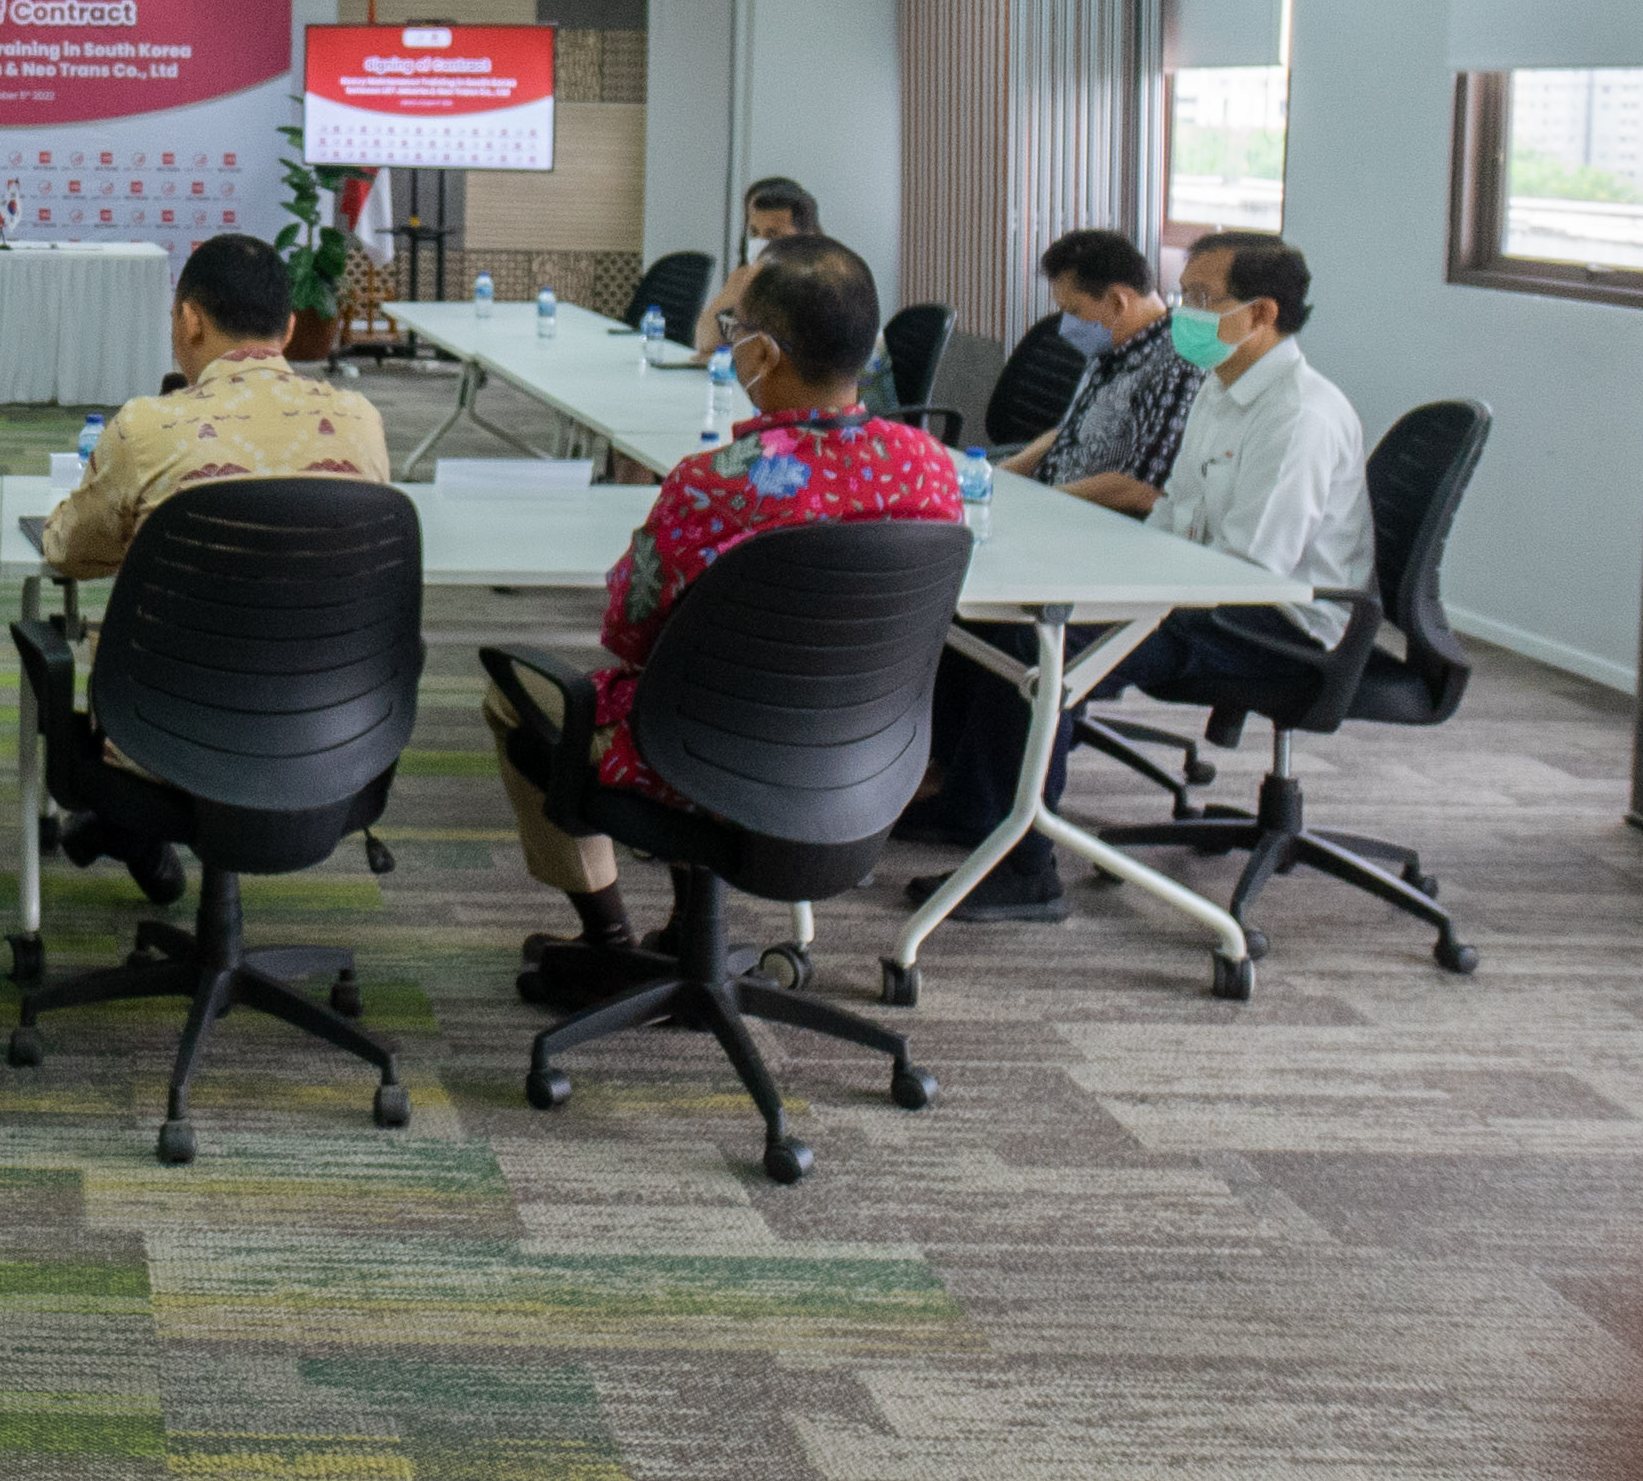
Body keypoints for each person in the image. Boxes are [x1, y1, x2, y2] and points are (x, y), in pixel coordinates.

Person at [491, 233, 964, 959]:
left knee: (516, 698)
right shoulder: (930, 469)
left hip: (704, 753)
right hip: (861, 758)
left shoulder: (715, 483)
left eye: (736, 331)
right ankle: (688, 930)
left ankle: (607, 936)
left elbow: (626, 631)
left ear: (764, 354)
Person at [909, 232, 1373, 922]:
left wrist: (1117, 591)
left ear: (1262, 313)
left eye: (1202, 298)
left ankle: (1024, 871)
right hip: (1203, 585)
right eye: (1184, 294)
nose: (1183, 313)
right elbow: (1174, 512)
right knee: (993, 616)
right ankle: (971, 809)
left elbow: (1251, 569)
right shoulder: (1221, 389)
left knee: (1041, 645)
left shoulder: (1298, 416)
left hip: (1274, 621)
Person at [37, 234, 393, 889]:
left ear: (190, 319)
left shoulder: (146, 428)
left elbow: (66, 551)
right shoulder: (360, 422)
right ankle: (127, 836)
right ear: (289, 328)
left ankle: (126, 832)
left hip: (167, 732)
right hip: (326, 725)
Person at [995, 227, 1202, 499]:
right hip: (1054, 497)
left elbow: (1144, 486)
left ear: (1117, 302)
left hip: (1094, 515)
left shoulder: (1181, 363)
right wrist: (998, 476)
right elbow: (1068, 431)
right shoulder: (1113, 346)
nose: (1065, 326)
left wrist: (1042, 501)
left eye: (1074, 310)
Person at [691, 175, 820, 351]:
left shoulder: (820, 286)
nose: (760, 244)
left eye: (773, 235)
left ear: (805, 239)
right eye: (754, 233)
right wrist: (728, 297)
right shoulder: (744, 279)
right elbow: (705, 343)